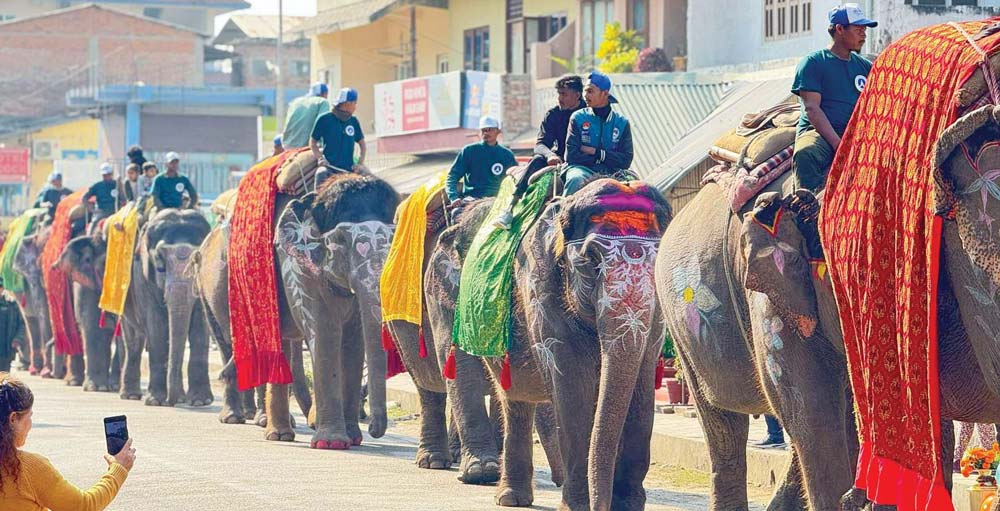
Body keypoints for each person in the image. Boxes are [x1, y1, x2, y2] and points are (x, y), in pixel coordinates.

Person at [0, 373, 135, 510]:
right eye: (29, 416)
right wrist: (118, 469)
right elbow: (83, 506)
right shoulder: (29, 467)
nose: (30, 424)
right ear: (13, 419)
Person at [791, 3, 876, 192]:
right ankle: (806, 213)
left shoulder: (865, 67)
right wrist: (839, 145)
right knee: (806, 154)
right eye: (858, 29)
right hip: (820, 133)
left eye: (865, 29)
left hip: (855, 134)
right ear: (839, 29)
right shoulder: (813, 63)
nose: (864, 34)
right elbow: (812, 109)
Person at [494, 75, 585, 230]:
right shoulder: (553, 115)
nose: (559, 99)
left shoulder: (588, 114)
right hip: (559, 158)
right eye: (559, 94)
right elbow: (541, 144)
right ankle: (510, 208)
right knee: (537, 160)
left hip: (582, 161)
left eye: (564, 94)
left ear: (577, 95)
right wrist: (550, 155)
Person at [562, 71, 634, 196]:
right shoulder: (578, 118)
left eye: (590, 91)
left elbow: (626, 160)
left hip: (613, 173)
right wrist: (608, 158)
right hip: (582, 170)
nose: (585, 95)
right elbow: (571, 156)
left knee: (636, 186)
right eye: (585, 91)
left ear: (605, 93)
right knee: (575, 179)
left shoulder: (622, 123)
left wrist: (596, 152)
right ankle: (560, 213)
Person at [445, 116, 518, 204]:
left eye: (489, 129)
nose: (486, 133)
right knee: (456, 213)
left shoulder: (507, 154)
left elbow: (515, 179)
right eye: (483, 130)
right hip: (472, 200)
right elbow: (452, 176)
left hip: (498, 200)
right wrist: (453, 197)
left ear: (498, 131)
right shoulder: (469, 151)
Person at [310, 87, 366, 177]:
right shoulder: (324, 119)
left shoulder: (354, 121)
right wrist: (320, 158)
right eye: (355, 103)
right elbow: (312, 142)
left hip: (349, 168)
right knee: (320, 174)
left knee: (370, 179)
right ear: (347, 103)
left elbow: (362, 145)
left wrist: (359, 163)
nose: (355, 107)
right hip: (329, 167)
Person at [282, 82, 330, 150]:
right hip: (307, 147)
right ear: (324, 93)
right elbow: (323, 125)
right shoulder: (322, 102)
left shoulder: (295, 102)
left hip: (287, 147)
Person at [83, 163, 121, 230]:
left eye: (108, 174)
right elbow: (84, 198)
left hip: (115, 212)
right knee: (94, 223)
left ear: (111, 174)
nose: (106, 177)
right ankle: (89, 238)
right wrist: (91, 209)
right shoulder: (97, 186)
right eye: (104, 175)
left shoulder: (117, 185)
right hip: (101, 212)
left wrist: (120, 184)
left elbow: (124, 198)